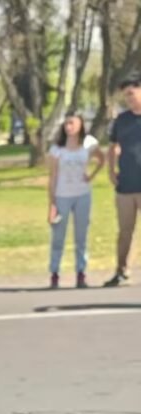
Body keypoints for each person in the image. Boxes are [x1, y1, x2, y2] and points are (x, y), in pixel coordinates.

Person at [47, 113, 105, 288]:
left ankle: (81, 273)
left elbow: (101, 159)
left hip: (82, 195)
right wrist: (52, 204)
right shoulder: (57, 149)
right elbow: (53, 176)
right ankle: (54, 273)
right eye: (66, 123)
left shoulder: (88, 143)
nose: (68, 127)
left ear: (80, 124)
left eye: (72, 123)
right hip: (62, 195)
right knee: (58, 237)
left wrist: (91, 176)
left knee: (81, 236)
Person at [104, 72, 141, 288]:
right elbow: (112, 147)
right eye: (126, 95)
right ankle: (121, 271)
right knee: (125, 231)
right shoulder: (122, 120)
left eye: (131, 93)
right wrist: (111, 170)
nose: (129, 98)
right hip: (126, 185)